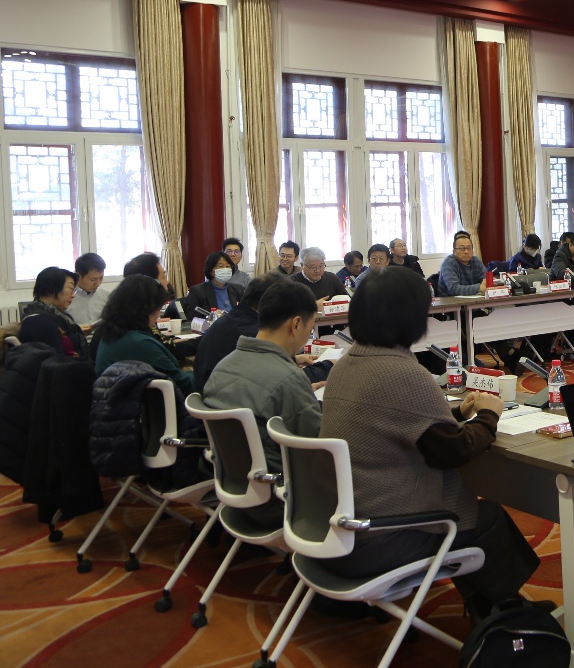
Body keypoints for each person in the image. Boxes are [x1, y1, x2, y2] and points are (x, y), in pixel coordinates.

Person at [317, 268, 539, 620]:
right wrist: (488, 415)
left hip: (334, 532)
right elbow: (455, 451)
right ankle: (508, 616)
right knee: (486, 517)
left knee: (476, 515)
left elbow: (394, 419)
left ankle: (491, 609)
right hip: (380, 539)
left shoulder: (346, 365)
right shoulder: (403, 372)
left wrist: (458, 411)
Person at [202, 282, 322, 528]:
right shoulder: (288, 379)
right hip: (283, 501)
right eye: (309, 330)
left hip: (235, 489)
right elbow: (318, 448)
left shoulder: (224, 366)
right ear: (296, 324)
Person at [94, 275, 196, 395]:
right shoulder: (139, 343)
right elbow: (184, 385)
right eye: (158, 309)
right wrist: (191, 372)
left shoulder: (112, 333)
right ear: (147, 310)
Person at [193, 273, 290, 390]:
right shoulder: (254, 334)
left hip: (208, 393)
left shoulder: (227, 320)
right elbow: (278, 378)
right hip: (227, 397)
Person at [18, 267, 88, 358]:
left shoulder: (61, 315)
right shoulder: (37, 322)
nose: (73, 295)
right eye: (71, 288)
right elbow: (55, 362)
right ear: (51, 289)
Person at [179, 251, 243, 316]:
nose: (225, 269)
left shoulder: (238, 289)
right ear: (211, 271)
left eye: (228, 266)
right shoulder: (197, 291)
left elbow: (246, 312)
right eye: (220, 266)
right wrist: (211, 316)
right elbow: (191, 317)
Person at [437, 231, 486, 296]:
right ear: (454, 251)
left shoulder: (476, 261)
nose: (466, 251)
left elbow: (485, 282)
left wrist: (487, 283)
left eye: (469, 248)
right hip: (449, 301)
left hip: (472, 300)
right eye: (462, 248)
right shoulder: (448, 263)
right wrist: (479, 287)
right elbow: (454, 289)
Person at [68, 252, 109, 327]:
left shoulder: (107, 296)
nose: (98, 283)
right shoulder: (66, 299)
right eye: (93, 279)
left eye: (101, 278)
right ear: (78, 276)